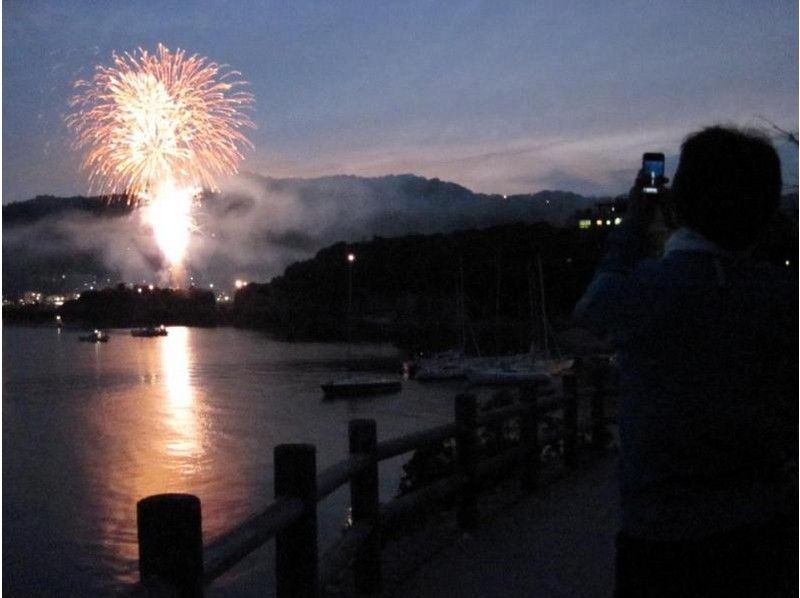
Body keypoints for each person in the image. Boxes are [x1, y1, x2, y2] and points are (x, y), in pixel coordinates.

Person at [573, 126, 797, 597]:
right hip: (762, 530)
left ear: (681, 203)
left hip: (660, 535)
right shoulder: (780, 295)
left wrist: (636, 221)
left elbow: (592, 309)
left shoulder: (652, 288)